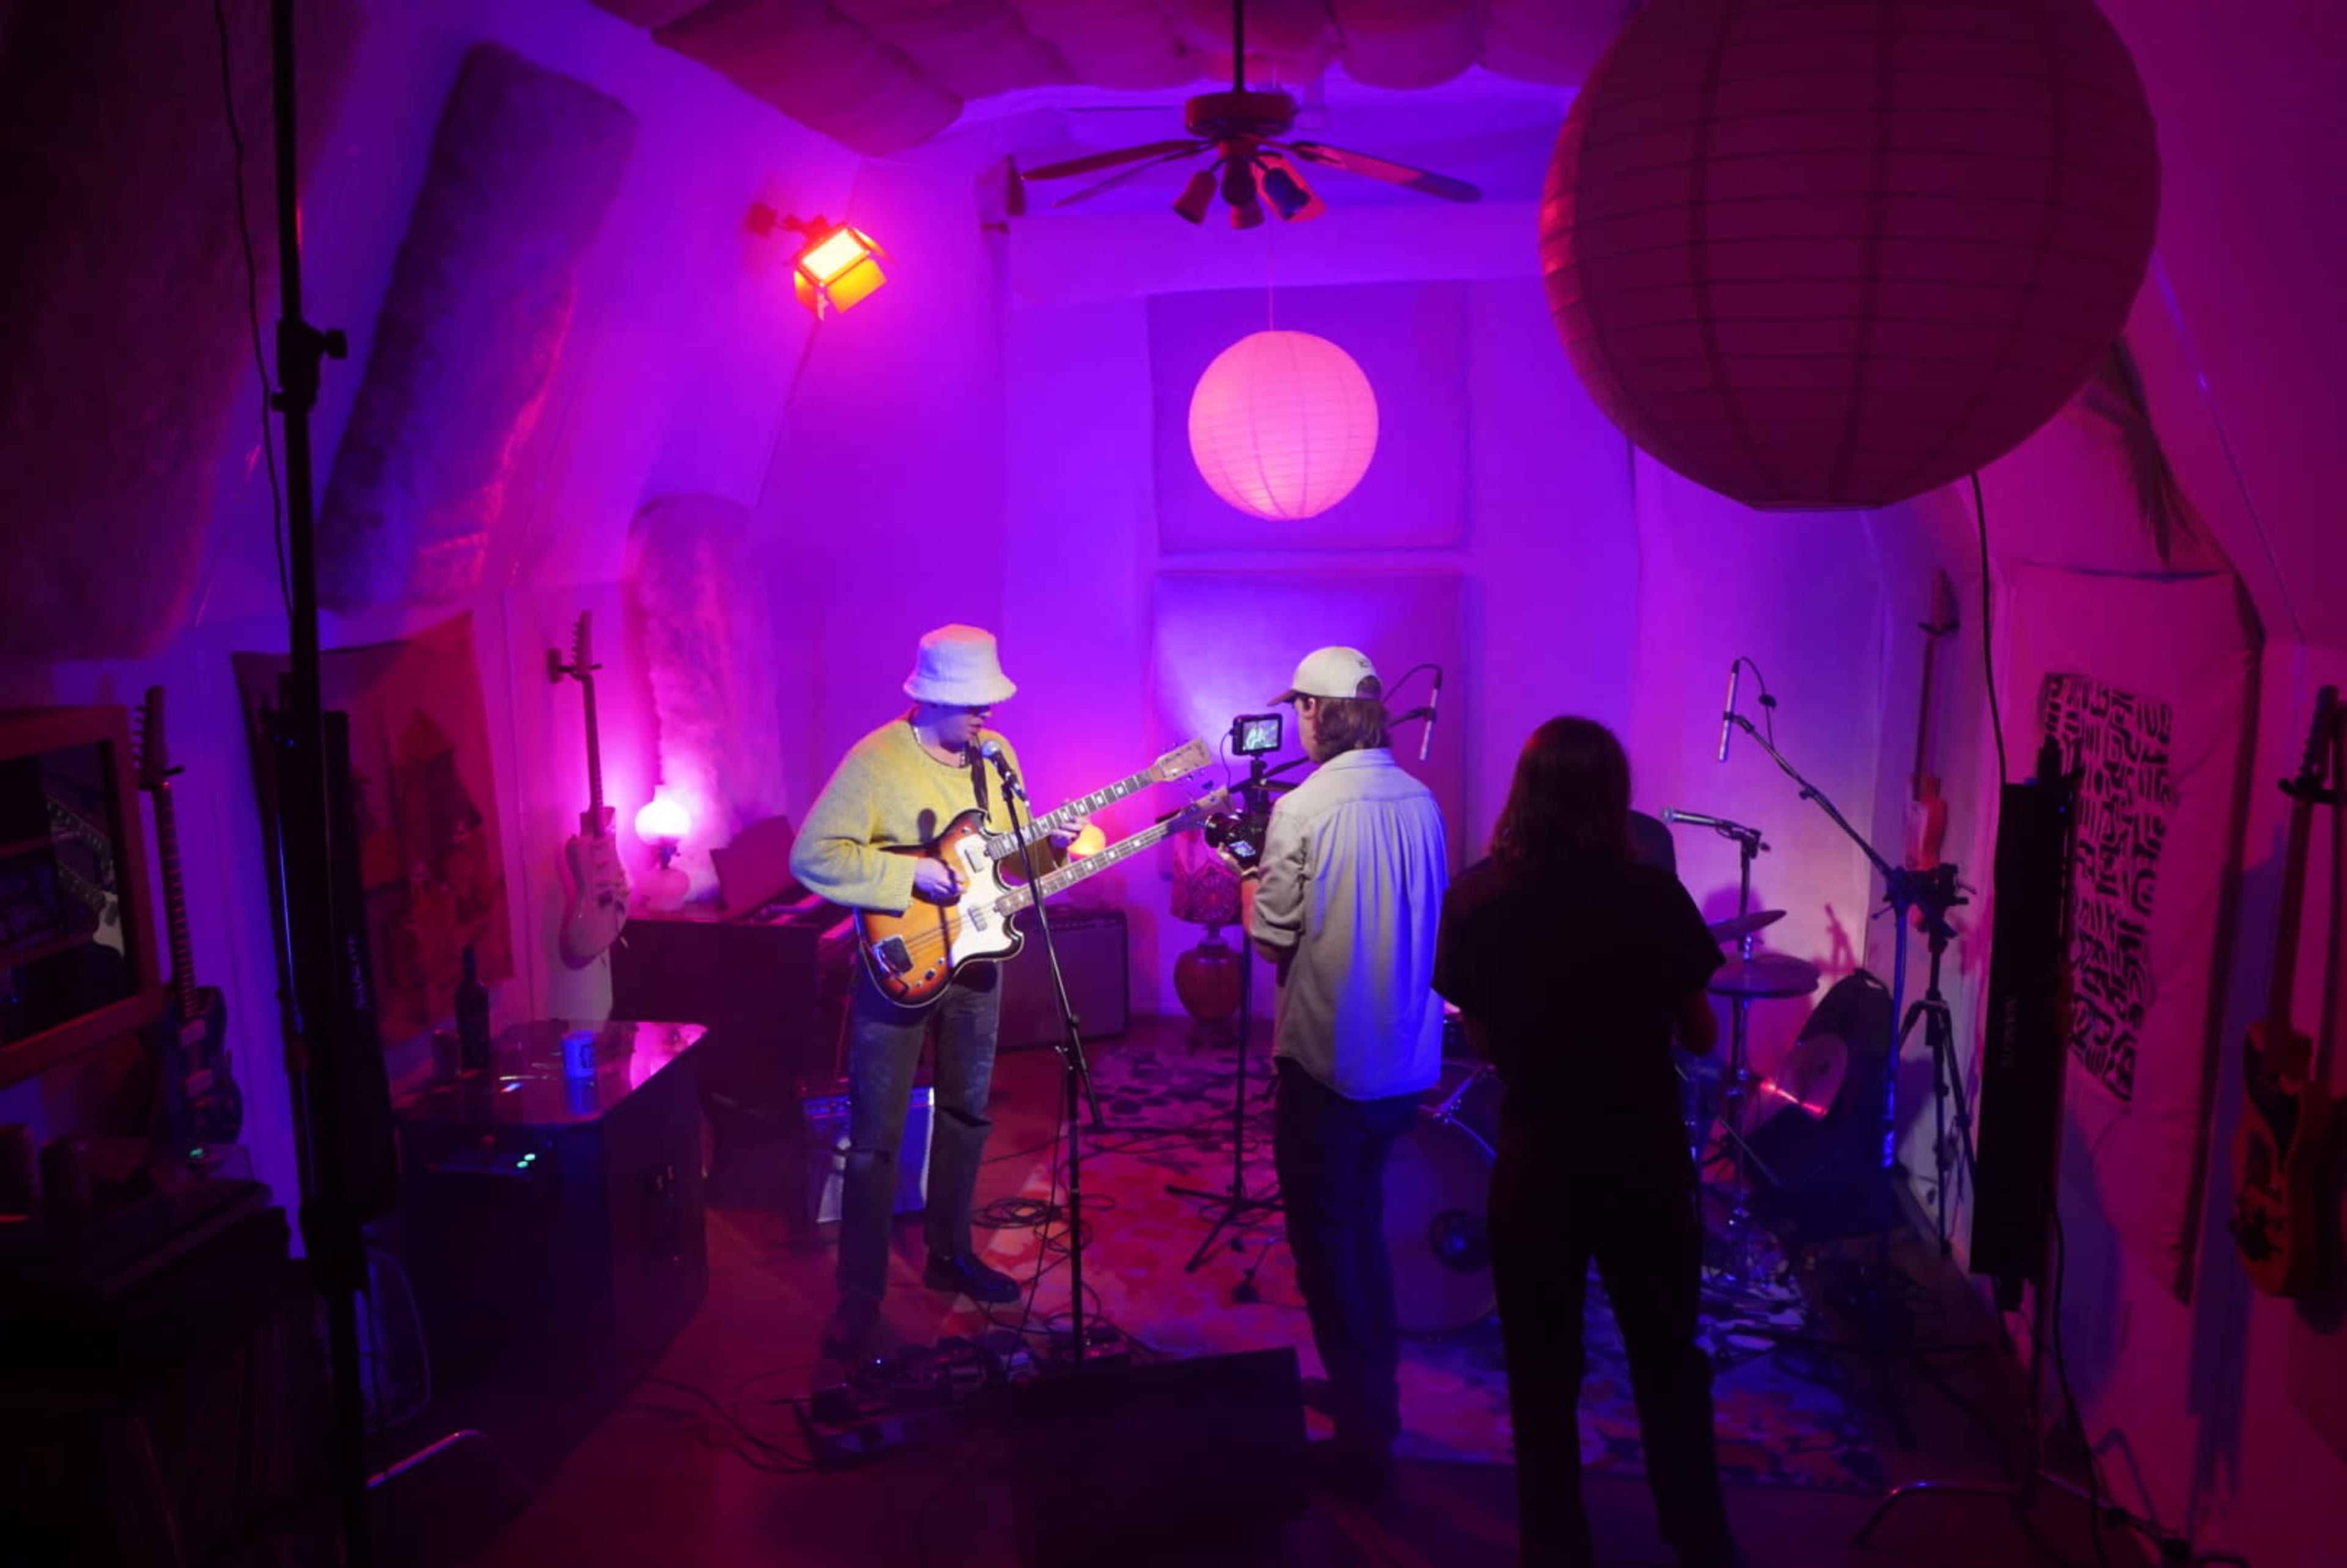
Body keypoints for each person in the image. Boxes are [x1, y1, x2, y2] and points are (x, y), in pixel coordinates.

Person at [1433, 717, 1739, 1568]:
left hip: (1538, 1158)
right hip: (1641, 1155)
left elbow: (1486, 1044)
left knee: (1540, 1372)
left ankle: (1556, 1549)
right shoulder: (1652, 896)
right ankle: (1700, 1537)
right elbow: (1702, 1035)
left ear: (1522, 793)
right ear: (1614, 797)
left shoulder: (1476, 900)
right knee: (1666, 1359)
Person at [790, 624, 1081, 1361]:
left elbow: (1010, 853)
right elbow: (813, 853)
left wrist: (1053, 843)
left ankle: (950, 1253)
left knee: (966, 1114)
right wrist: (905, 876)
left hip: (979, 959)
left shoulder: (996, 756)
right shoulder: (877, 760)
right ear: (934, 698)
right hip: (902, 963)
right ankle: (860, 1297)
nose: (988, 713)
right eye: (974, 703)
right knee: (874, 1143)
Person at [1243, 645, 1449, 1500]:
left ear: (1322, 713)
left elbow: (1273, 940)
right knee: (1363, 1231)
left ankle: (1367, 1438)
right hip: (1404, 1062)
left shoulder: (1305, 805)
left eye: (1302, 708)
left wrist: (1249, 878)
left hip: (1329, 1064)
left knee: (1329, 1251)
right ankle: (1375, 1396)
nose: (1297, 721)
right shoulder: (1424, 800)